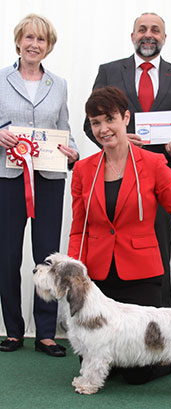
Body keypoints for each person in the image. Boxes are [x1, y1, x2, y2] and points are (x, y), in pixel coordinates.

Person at [68, 86, 171, 384]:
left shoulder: (155, 165)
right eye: (95, 123)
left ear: (126, 117)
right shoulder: (82, 170)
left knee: (137, 374)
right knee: (98, 357)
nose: (103, 129)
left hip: (141, 276)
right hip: (98, 282)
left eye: (109, 119)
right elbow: (79, 227)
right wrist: (75, 272)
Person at [83, 12, 171, 308]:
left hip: (160, 180)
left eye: (156, 30)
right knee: (113, 249)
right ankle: (110, 328)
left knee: (160, 255)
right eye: (142, 29)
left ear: (164, 37)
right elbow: (90, 123)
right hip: (116, 176)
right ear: (132, 36)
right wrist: (120, 139)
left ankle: (163, 332)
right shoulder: (109, 72)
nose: (149, 34)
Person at [0, 14, 79, 356]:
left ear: (48, 46)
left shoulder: (58, 84)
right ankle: (14, 330)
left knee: (47, 257)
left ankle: (46, 332)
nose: (34, 44)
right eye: (29, 37)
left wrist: (73, 151)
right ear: (18, 40)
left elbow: (65, 126)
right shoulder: (1, 79)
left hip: (48, 179)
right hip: (8, 178)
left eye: (41, 40)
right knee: (7, 256)